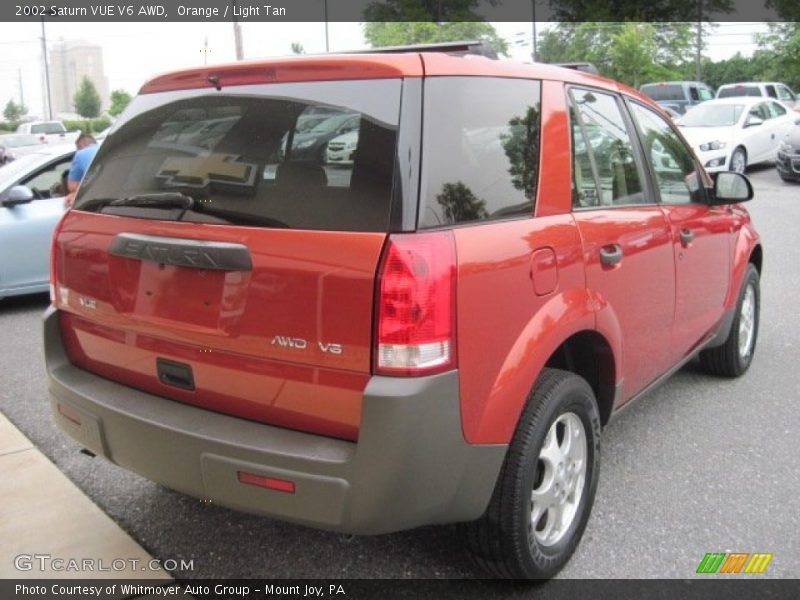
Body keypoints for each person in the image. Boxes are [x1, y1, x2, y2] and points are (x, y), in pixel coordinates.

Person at [65, 133, 99, 207]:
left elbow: (72, 186)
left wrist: (75, 193)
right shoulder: (105, 149)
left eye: (78, 148)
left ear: (82, 145)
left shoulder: (80, 154)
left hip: (98, 202)